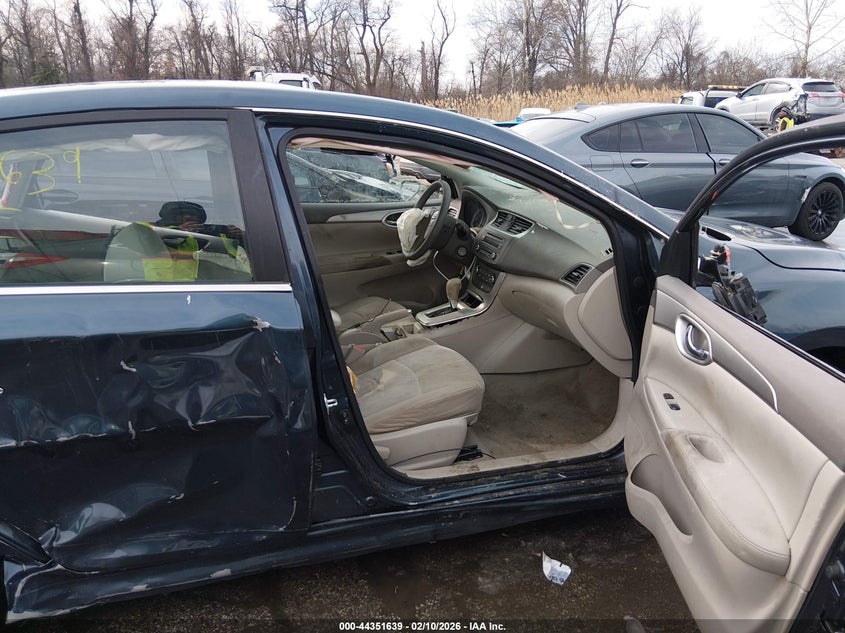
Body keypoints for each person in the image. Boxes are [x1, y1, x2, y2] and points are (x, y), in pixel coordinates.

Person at [155, 201, 244, 241]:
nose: (188, 217)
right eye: (181, 214)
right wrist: (179, 231)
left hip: (215, 279)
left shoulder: (214, 234)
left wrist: (240, 236)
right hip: (166, 279)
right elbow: (148, 240)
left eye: (193, 214)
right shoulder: (154, 230)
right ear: (170, 217)